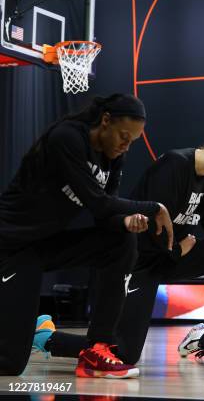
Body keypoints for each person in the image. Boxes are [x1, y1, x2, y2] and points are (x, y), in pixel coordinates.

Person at [33, 115, 204, 368]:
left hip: (171, 256)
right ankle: (47, 338)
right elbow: (149, 229)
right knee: (123, 353)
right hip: (140, 262)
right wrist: (179, 250)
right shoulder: (174, 165)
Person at [0, 94, 174, 378]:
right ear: (105, 121)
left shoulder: (112, 157)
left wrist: (126, 220)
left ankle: (97, 348)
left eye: (133, 140)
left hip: (47, 243)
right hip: (12, 246)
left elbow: (106, 213)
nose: (126, 145)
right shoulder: (67, 138)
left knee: (120, 241)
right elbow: (98, 202)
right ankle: (29, 332)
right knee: (9, 364)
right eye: (123, 136)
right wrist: (154, 207)